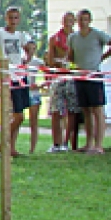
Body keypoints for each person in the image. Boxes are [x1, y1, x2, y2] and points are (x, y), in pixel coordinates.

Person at [67, 9, 111, 154]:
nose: (82, 22)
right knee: (86, 110)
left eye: (85, 19)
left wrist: (102, 57)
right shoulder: (73, 37)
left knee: (98, 110)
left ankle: (99, 144)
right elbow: (70, 55)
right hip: (80, 75)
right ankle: (89, 143)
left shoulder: (97, 34)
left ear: (89, 20)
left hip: (94, 74)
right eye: (80, 19)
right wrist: (73, 63)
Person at [0, 6, 34, 157]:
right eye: (11, 17)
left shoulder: (20, 35)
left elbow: (29, 47)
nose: (13, 21)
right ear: (6, 18)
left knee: (20, 116)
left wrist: (28, 56)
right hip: (9, 76)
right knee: (16, 115)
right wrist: (1, 63)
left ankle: (11, 148)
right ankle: (3, 143)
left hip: (21, 76)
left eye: (16, 18)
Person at [45, 11, 78, 152]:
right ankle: (56, 143)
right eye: (66, 20)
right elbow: (50, 60)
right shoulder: (55, 39)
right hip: (58, 77)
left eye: (71, 20)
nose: (68, 23)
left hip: (73, 77)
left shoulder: (77, 38)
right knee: (56, 110)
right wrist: (59, 62)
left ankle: (67, 142)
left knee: (72, 110)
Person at [24, 41, 45, 154]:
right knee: (17, 118)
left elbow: (49, 73)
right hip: (22, 91)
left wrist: (41, 84)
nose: (30, 51)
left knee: (34, 121)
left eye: (32, 49)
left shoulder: (37, 62)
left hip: (33, 93)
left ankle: (32, 149)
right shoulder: (20, 61)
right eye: (28, 49)